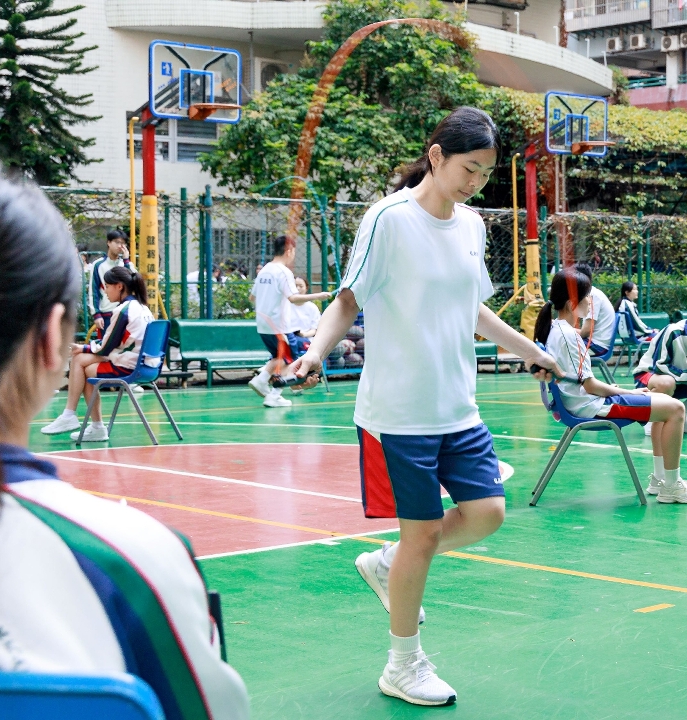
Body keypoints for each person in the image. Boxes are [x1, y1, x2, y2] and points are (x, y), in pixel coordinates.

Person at [286, 107, 561, 707]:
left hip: (457, 406)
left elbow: (474, 309)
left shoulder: (472, 226)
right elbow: (348, 300)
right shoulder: (388, 220)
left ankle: (388, 565)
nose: (476, 183)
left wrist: (532, 351)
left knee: (487, 513)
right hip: (399, 413)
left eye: (486, 174)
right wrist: (313, 354)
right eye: (469, 169)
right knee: (423, 535)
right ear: (436, 156)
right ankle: (403, 665)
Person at [0, 170, 249, 717]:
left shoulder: (127, 310)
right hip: (126, 369)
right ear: (50, 338)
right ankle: (83, 418)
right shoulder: (135, 560)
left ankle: (84, 418)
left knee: (91, 364)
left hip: (125, 366)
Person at [539, 271, 687, 503]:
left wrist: (618, 390)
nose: (591, 302)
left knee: (665, 403)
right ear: (571, 304)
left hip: (585, 402)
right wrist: (628, 391)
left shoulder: (557, 330)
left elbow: (582, 381)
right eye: (587, 297)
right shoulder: (569, 336)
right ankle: (671, 486)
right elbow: (590, 386)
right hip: (590, 407)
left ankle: (661, 479)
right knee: (676, 409)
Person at [39, 266, 153, 442]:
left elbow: (107, 347)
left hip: (129, 365)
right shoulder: (143, 308)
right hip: (145, 365)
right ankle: (82, 421)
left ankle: (79, 419)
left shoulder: (123, 311)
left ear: (119, 286)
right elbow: (115, 343)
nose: (105, 291)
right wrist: (84, 349)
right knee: (81, 361)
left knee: (81, 364)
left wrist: (83, 348)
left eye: (107, 286)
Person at [247, 235, 331, 408]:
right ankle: (273, 394)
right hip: (279, 325)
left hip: (263, 325)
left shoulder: (264, 271)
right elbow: (294, 298)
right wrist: (319, 295)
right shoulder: (284, 272)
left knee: (279, 357)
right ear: (289, 251)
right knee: (289, 360)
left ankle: (262, 380)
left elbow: (252, 298)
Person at [87, 229, 131, 332]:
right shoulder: (98, 265)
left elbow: (132, 284)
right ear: (109, 242)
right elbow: (93, 290)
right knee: (106, 342)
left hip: (125, 313)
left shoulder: (126, 264)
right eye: (117, 242)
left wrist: (126, 261)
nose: (120, 246)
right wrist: (96, 314)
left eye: (123, 243)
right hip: (106, 313)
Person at [571, 262, 616, 357]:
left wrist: (563, 330)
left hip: (597, 346)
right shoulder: (591, 294)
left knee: (560, 347)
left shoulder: (592, 296)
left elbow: (585, 332)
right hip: (594, 343)